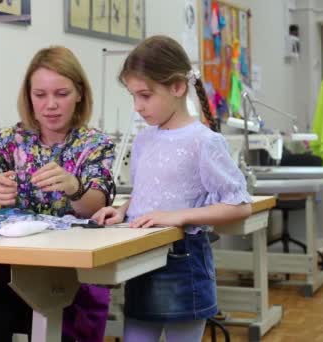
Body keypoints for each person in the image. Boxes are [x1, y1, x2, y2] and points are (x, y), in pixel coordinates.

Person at [92, 35, 253, 342]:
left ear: (178, 87)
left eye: (145, 95)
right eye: (133, 96)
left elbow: (239, 204)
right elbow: (148, 192)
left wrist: (179, 216)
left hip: (183, 262)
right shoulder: (143, 140)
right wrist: (123, 208)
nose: (138, 106)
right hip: (141, 259)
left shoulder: (204, 141)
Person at [0, 46, 115, 342]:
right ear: (28, 96)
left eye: (61, 94)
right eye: (40, 95)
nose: (51, 105)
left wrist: (75, 188)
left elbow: (95, 206)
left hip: (72, 275)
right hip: (10, 272)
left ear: (80, 94)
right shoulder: (7, 141)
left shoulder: (95, 144)